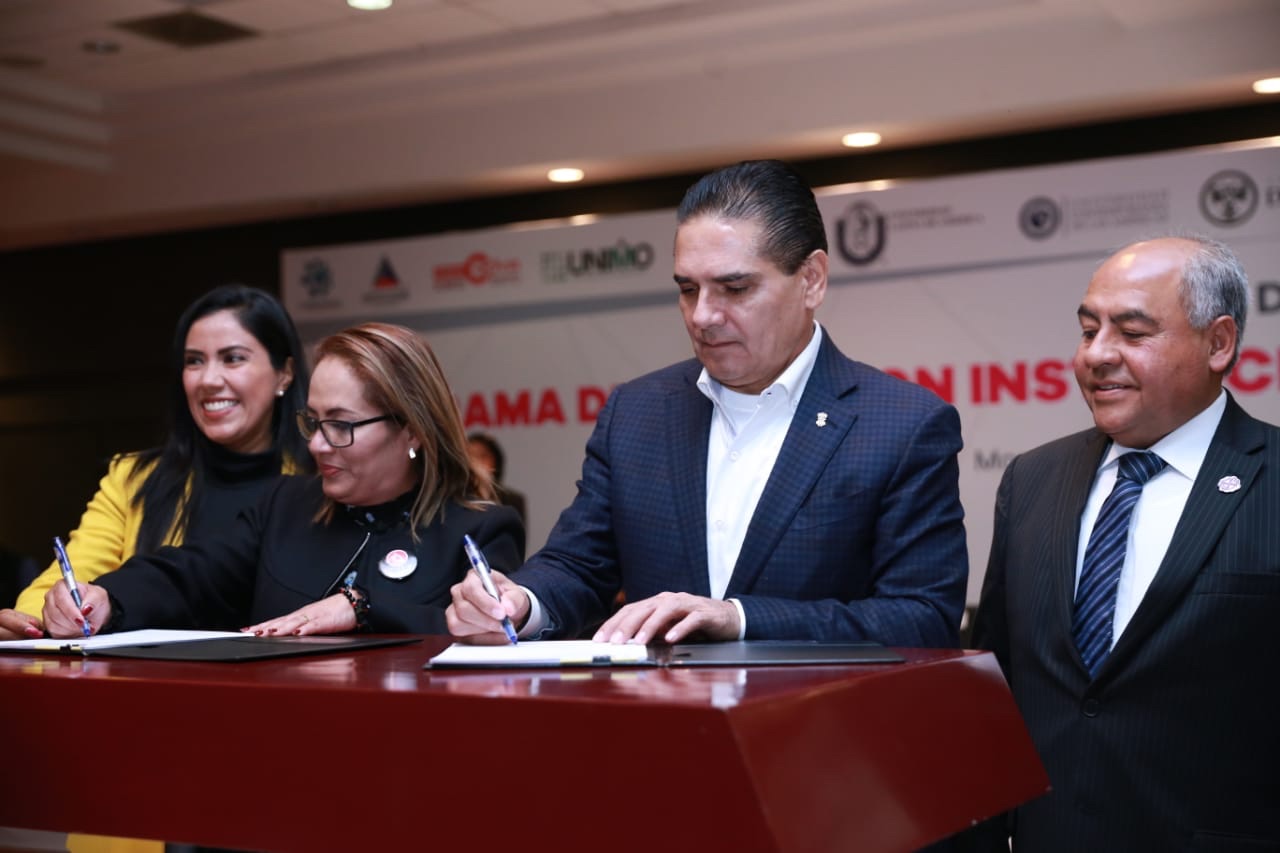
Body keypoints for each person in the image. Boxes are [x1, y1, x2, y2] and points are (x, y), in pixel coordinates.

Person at [448, 159, 967, 647]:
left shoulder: (903, 426)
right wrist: (520, 603)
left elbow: (921, 616)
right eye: (687, 289)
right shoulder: (637, 413)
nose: (702, 316)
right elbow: (579, 565)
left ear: (811, 280)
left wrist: (739, 618)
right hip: (663, 712)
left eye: (734, 288)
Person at [970, 235, 1280, 850]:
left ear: (1218, 343)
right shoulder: (1033, 479)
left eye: (1132, 333)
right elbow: (992, 687)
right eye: (1089, 331)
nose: (1097, 354)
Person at [42, 323, 523, 638]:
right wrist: (107, 598)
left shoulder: (478, 529)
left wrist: (364, 607)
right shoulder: (285, 505)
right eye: (313, 421)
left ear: (412, 429)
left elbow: (488, 632)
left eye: (341, 425)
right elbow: (190, 574)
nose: (317, 445)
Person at [0, 284, 312, 641]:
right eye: (194, 361)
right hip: (152, 673)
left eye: (233, 358)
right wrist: (35, 619)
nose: (209, 380)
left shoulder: (320, 483)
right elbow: (73, 571)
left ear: (284, 373)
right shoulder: (134, 478)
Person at [467, 431, 528, 523]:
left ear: (495, 460)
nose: (475, 462)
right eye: (470, 456)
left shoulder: (513, 500)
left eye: (482, 456)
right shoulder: (456, 499)